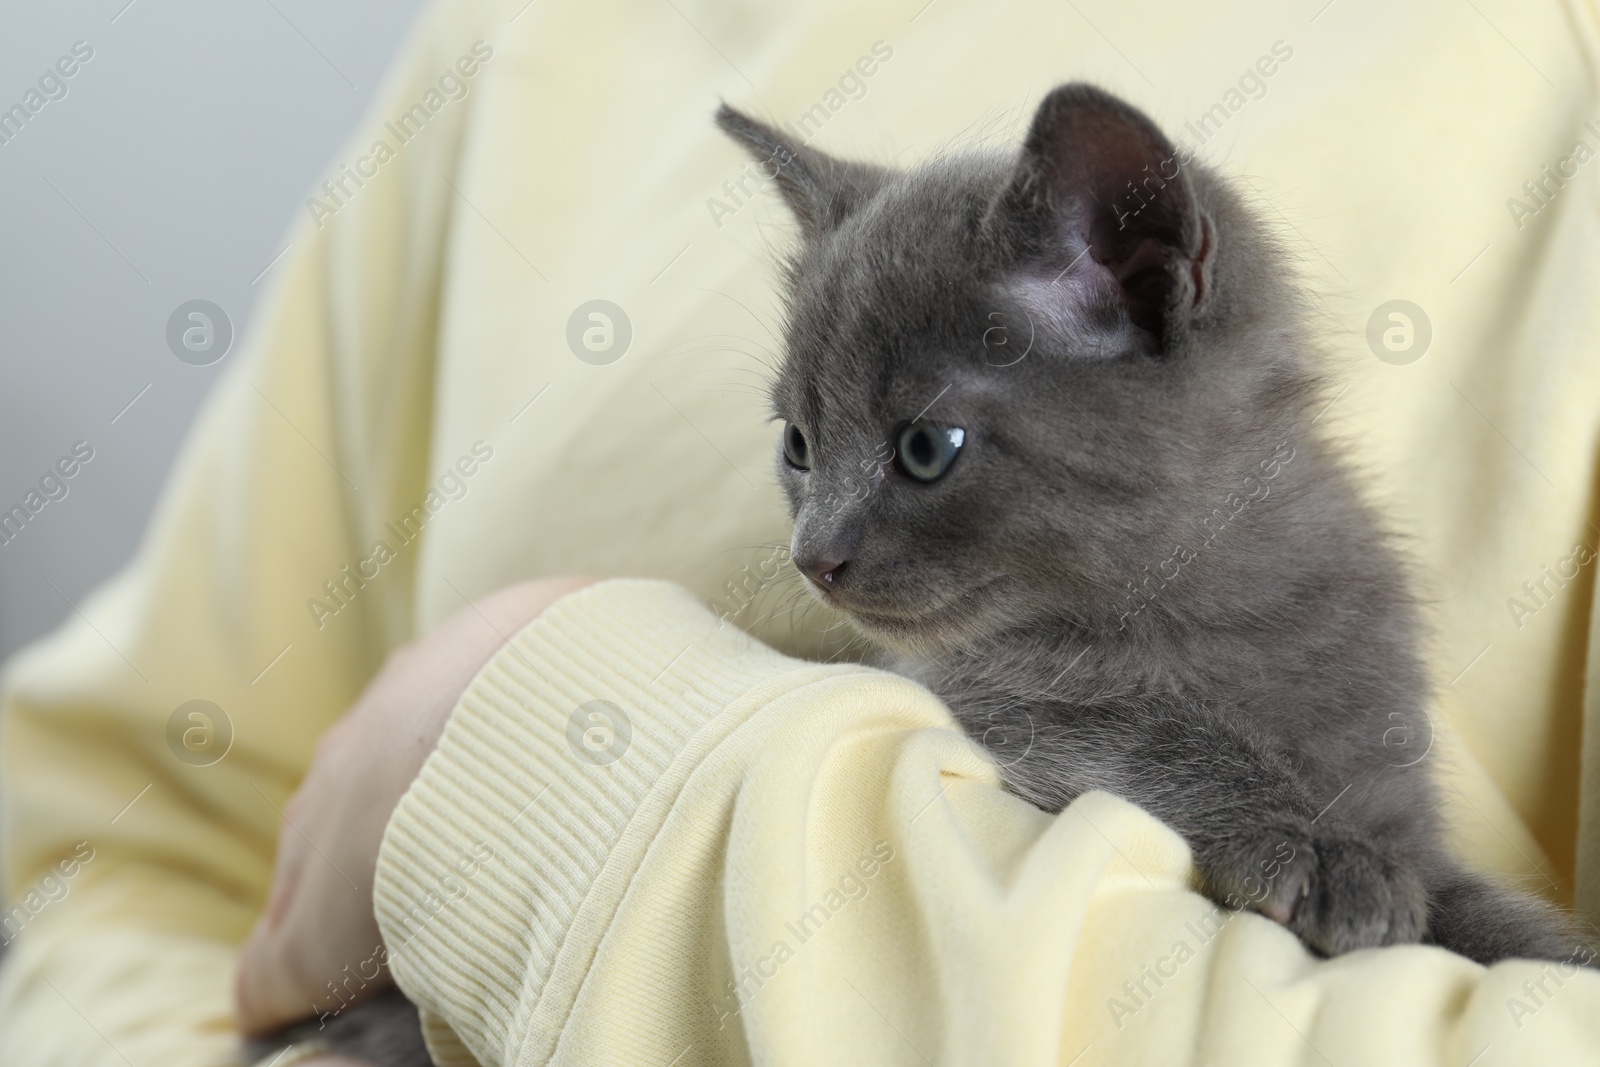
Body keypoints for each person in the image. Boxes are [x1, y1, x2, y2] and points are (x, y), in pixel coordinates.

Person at [4, 0, 1600, 1063]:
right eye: (802, 453)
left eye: (923, 450)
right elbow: (118, 848)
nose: (822, 549)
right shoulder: (527, 42)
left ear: (1140, 269)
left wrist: (560, 756)